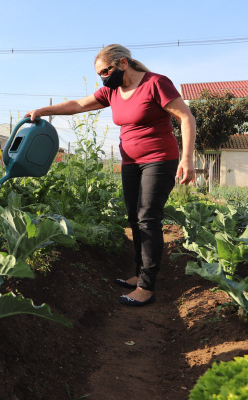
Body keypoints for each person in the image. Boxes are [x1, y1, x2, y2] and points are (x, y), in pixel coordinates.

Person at [25, 44, 196, 306]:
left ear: (123, 63)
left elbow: (186, 117)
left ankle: (147, 286)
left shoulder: (156, 83)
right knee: (134, 217)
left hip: (159, 159)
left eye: (106, 70)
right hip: (130, 162)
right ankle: (139, 274)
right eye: (100, 74)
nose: (103, 76)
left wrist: (187, 158)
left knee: (148, 217)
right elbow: (79, 104)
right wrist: (43, 111)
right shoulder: (112, 90)